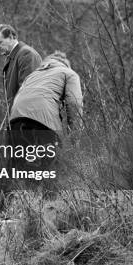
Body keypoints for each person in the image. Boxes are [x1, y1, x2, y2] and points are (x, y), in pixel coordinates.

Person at [0, 24, 42, 208]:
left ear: (12, 36)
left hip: (26, 124)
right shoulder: (14, 57)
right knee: (8, 166)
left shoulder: (26, 55)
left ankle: (2, 210)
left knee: (19, 168)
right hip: (17, 122)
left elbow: (28, 92)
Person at [8, 51, 83, 191]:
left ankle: (12, 206)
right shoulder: (69, 73)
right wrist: (74, 137)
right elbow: (74, 104)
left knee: (19, 167)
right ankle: (48, 204)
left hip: (16, 120)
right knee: (52, 165)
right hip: (43, 122)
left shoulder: (32, 75)